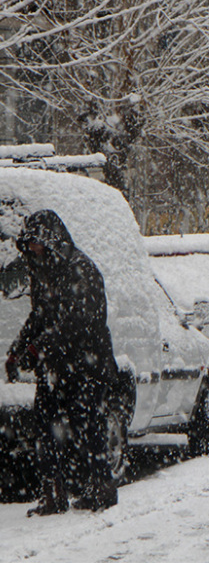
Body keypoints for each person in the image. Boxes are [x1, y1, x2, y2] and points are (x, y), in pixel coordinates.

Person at [4, 210, 119, 515]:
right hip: (54, 365)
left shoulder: (81, 269)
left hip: (86, 363)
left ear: (51, 240)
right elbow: (40, 315)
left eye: (37, 243)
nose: (33, 249)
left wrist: (39, 346)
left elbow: (82, 321)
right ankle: (53, 495)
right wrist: (18, 348)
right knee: (46, 427)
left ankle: (101, 489)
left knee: (88, 426)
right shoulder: (43, 271)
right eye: (29, 244)